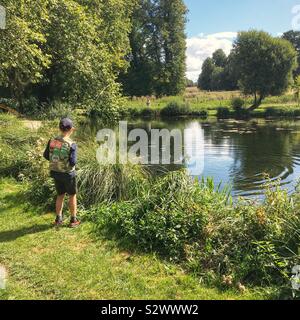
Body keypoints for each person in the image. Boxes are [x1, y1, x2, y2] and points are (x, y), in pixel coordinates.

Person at [43, 118, 80, 228]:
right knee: (72, 195)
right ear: (71, 129)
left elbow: (46, 156)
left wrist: (56, 161)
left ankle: (58, 219)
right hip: (68, 174)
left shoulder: (52, 141)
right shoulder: (72, 144)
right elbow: (73, 162)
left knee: (60, 195)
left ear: (59, 128)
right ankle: (73, 220)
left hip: (55, 172)